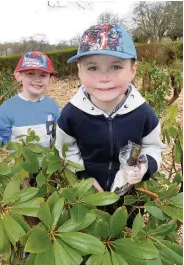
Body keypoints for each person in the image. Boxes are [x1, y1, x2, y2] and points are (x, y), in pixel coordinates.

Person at [55, 24, 166, 196]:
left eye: (115, 67)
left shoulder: (143, 113)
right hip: (87, 195)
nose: (104, 78)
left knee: (126, 223)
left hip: (131, 195)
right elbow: (66, 149)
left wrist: (144, 167)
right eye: (93, 68)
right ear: (80, 71)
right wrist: (83, 178)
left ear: (132, 70)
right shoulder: (71, 114)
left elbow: (154, 146)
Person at [0, 51, 60, 147]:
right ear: (18, 76)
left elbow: (60, 135)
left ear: (50, 80)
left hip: (48, 161)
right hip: (20, 162)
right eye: (31, 73)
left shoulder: (52, 105)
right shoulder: (7, 108)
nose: (37, 79)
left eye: (43, 75)